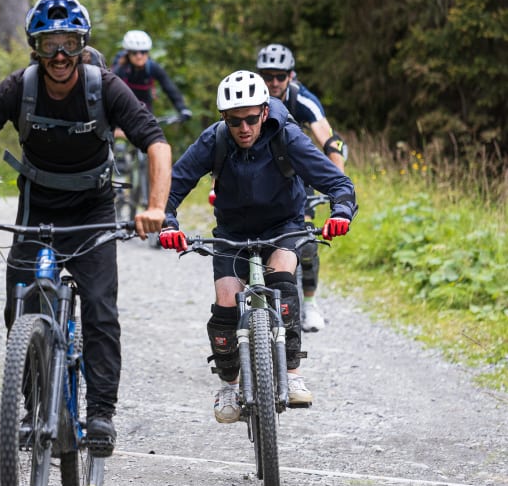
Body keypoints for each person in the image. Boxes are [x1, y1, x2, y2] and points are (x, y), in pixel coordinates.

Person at [0, 0, 172, 456]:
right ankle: (31, 404)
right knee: (17, 308)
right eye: (48, 45)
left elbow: (156, 144)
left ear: (83, 46)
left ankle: (100, 412)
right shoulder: (19, 88)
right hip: (36, 207)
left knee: (100, 309)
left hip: (93, 210)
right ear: (34, 48)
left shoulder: (106, 88)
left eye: (69, 44)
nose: (59, 56)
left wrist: (155, 208)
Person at [159, 70, 357, 421]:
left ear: (265, 112)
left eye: (252, 118)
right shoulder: (214, 140)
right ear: (224, 118)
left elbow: (337, 182)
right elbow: (172, 187)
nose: (244, 128)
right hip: (232, 232)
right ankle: (229, 385)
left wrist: (340, 211)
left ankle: (292, 374)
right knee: (225, 306)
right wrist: (168, 223)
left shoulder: (287, 137)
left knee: (282, 278)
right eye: (235, 121)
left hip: (283, 226)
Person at [256, 43, 348, 333]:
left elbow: (330, 141)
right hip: (258, 176)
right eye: (267, 76)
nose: (273, 83)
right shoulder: (251, 96)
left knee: (305, 241)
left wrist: (338, 184)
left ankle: (309, 303)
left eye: (279, 77)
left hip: (297, 176)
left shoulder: (302, 99)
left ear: (290, 76)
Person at [113, 30, 192, 121]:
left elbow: (169, 87)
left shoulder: (153, 67)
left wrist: (182, 108)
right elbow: (110, 93)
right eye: (134, 52)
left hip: (145, 111)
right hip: (122, 111)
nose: (139, 56)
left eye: (143, 52)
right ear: (128, 53)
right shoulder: (120, 69)